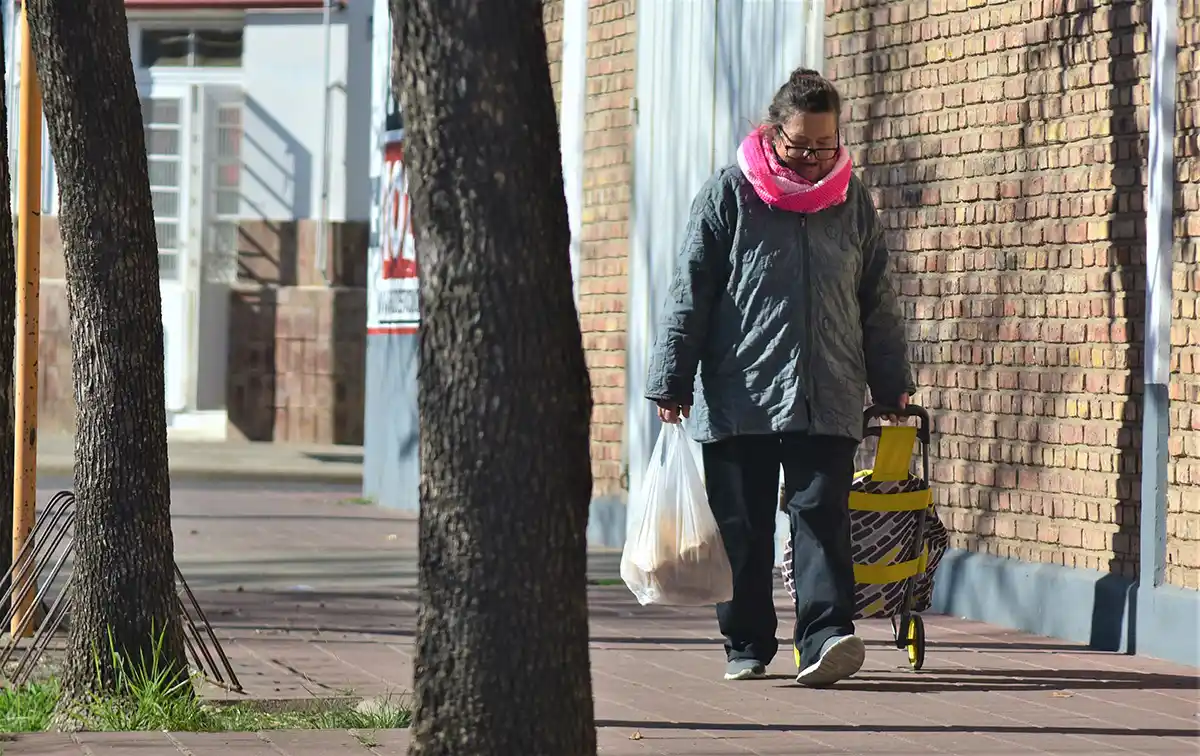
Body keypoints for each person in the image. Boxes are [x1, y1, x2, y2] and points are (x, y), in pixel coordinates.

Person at [645, 68, 915, 687]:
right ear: (772, 134)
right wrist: (672, 379)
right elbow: (692, 291)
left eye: (827, 144)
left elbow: (877, 297)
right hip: (740, 391)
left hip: (830, 387)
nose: (817, 157)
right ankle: (746, 642)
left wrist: (892, 384)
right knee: (742, 526)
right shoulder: (729, 194)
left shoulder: (852, 199)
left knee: (822, 514)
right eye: (802, 145)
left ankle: (824, 638)